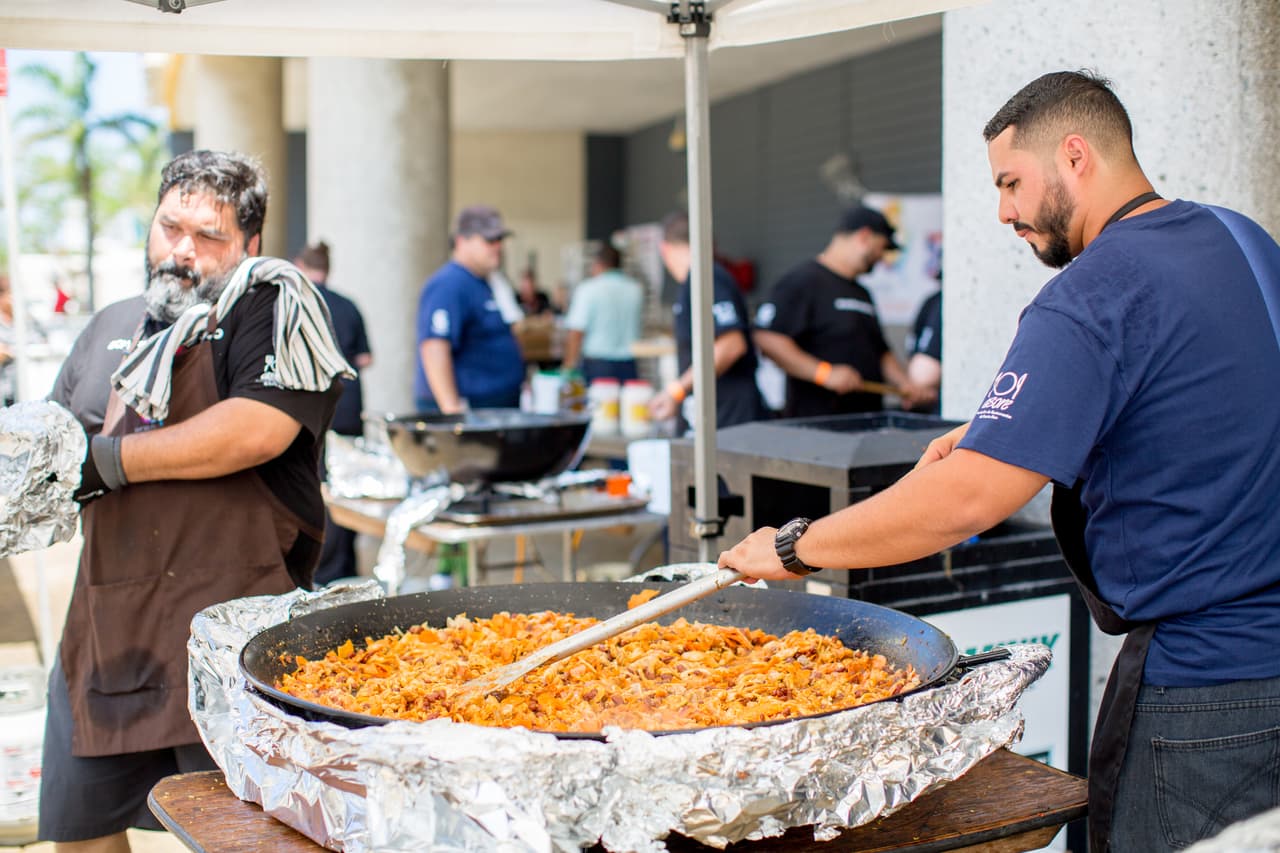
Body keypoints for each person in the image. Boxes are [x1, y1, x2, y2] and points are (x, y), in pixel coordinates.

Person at [719, 70, 1280, 853]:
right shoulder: (1244, 238)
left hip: (1206, 690)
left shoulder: (1092, 291)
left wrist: (790, 546)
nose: (1003, 210)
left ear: (1076, 156)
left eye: (1011, 182)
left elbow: (965, 503)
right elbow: (1206, 413)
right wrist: (1030, 439)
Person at [39, 149, 348, 851]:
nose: (182, 249)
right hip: (110, 632)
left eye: (208, 236)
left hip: (231, 640)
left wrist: (112, 460)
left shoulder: (269, 307)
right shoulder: (107, 326)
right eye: (169, 227)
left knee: (246, 839)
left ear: (250, 245)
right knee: (81, 835)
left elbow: (255, 428)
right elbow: (54, 449)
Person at [753, 206, 924, 418]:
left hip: (866, 420)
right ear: (864, 237)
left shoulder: (863, 292)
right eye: (882, 247)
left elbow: (879, 350)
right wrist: (824, 373)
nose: (882, 257)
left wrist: (904, 384)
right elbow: (768, 339)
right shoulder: (802, 281)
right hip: (817, 423)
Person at [293, 241, 373, 585]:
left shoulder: (298, 304)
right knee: (351, 487)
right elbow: (366, 359)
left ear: (300, 265)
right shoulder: (348, 305)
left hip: (315, 409)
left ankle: (322, 569)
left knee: (320, 488)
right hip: (349, 407)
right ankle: (346, 567)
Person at [648, 210, 766, 430]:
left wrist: (676, 390)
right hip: (713, 415)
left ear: (664, 249)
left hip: (730, 418)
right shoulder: (695, 280)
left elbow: (731, 345)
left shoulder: (707, 276)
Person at [414, 205, 525, 413]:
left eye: (500, 240)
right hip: (471, 410)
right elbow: (435, 346)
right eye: (489, 240)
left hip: (496, 405)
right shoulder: (449, 284)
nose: (498, 247)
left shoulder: (488, 282)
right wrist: (452, 408)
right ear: (461, 241)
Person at [561, 243, 644, 383]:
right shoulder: (635, 290)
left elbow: (576, 332)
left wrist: (568, 366)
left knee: (599, 404)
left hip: (598, 366)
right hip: (629, 365)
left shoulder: (588, 289)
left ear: (598, 264)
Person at [905, 283, 942, 413]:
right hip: (935, 403)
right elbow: (924, 375)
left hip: (942, 404)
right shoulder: (938, 301)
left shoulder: (935, 300)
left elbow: (924, 376)